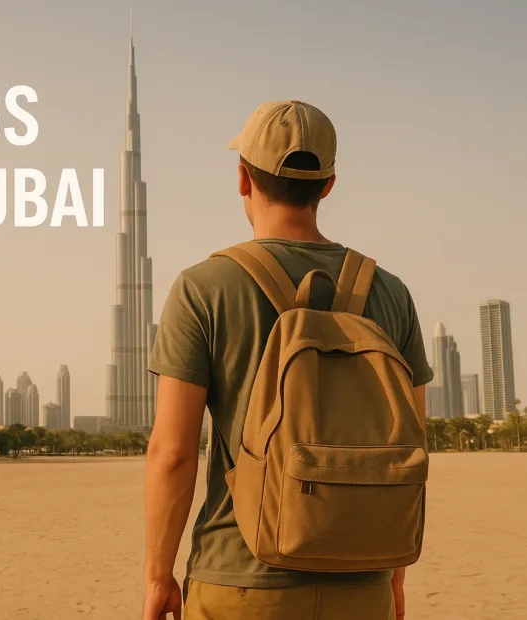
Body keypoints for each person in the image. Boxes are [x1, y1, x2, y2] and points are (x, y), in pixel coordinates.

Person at [142, 100, 432, 620]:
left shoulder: (204, 288)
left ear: (242, 179)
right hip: (363, 582)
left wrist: (158, 577)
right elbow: (407, 445)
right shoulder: (391, 293)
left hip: (240, 581)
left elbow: (173, 453)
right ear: (328, 185)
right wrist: (393, 574)